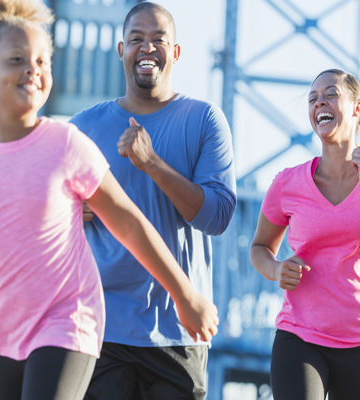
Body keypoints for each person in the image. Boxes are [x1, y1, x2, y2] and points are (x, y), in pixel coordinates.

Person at [0, 1, 220, 399]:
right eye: (17, 59)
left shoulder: (67, 144)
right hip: (5, 327)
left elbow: (129, 223)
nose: (33, 70)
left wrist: (184, 294)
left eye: (43, 61)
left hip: (68, 318)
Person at [69, 3, 236, 399]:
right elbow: (46, 214)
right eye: (136, 40)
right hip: (102, 328)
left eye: (158, 40)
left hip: (179, 329)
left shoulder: (206, 120)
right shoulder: (82, 128)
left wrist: (152, 164)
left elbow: (216, 218)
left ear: (175, 52)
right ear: (121, 50)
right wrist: (74, 209)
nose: (147, 48)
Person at [250, 68, 360, 400]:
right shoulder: (287, 183)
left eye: (330, 94)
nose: (319, 103)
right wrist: (274, 269)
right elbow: (259, 247)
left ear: (357, 108)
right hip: (300, 336)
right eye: (313, 99)